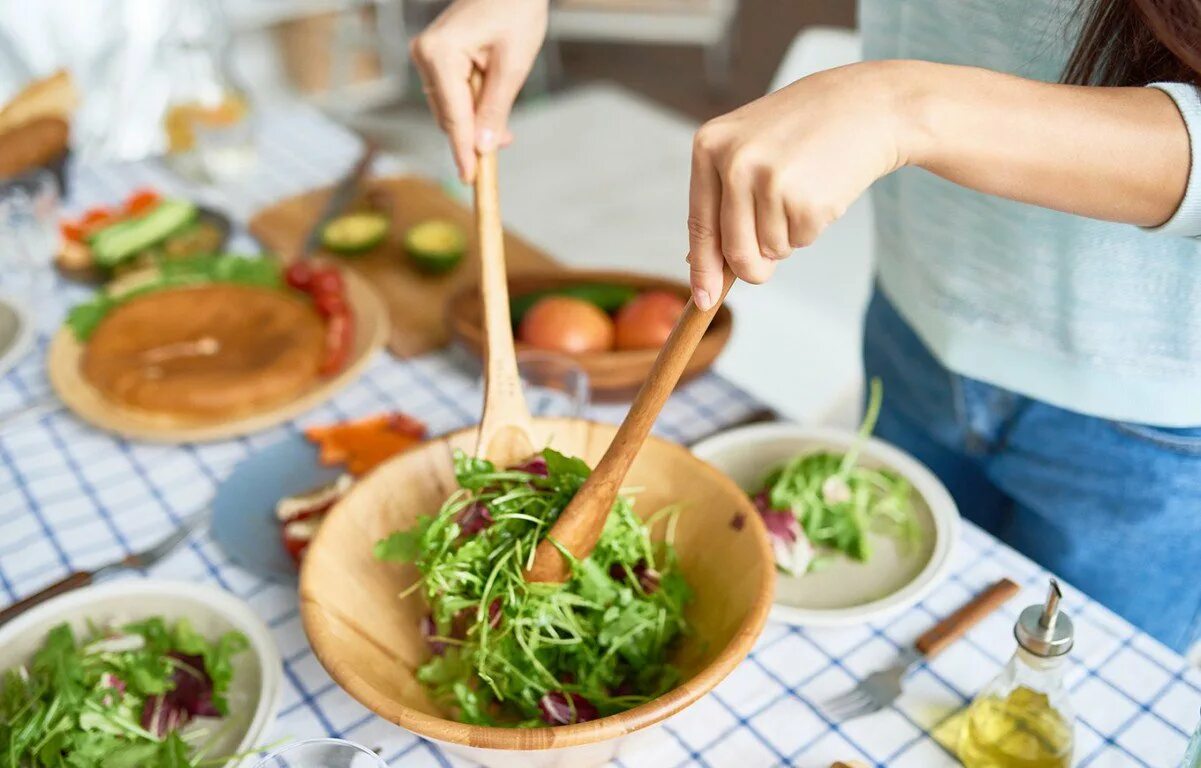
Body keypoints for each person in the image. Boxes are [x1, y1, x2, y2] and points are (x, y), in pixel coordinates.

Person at [410, 0, 1201, 654]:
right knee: (890, 646)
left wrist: (904, 105)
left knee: (1078, 700)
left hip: (1150, 417)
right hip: (914, 323)